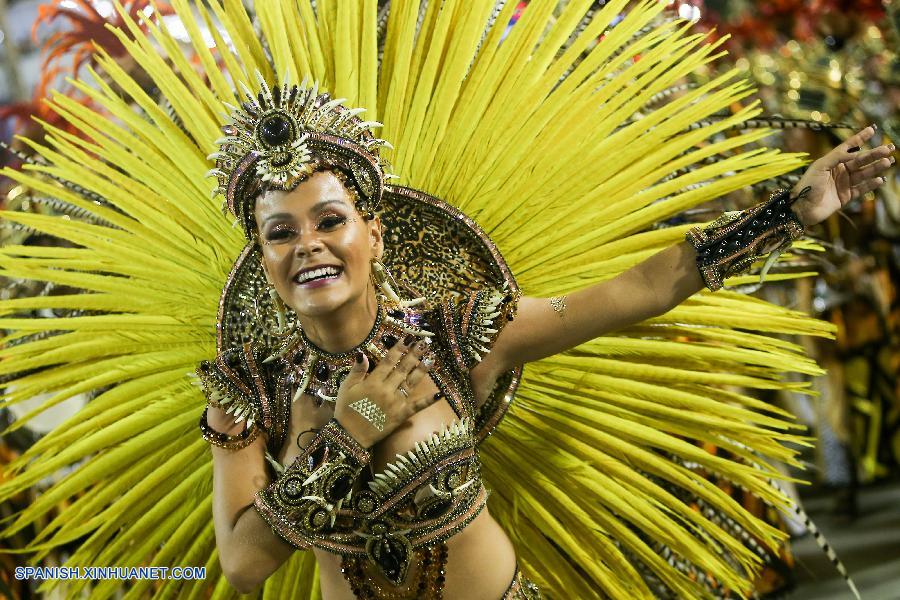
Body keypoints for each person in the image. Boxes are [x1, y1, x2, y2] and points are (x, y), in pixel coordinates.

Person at [0, 1, 893, 599]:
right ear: (260, 256)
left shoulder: (462, 332)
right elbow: (240, 563)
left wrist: (788, 212)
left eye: (329, 219)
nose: (308, 244)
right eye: (280, 232)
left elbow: (642, 289)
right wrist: (347, 432)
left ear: (374, 231)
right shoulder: (250, 387)